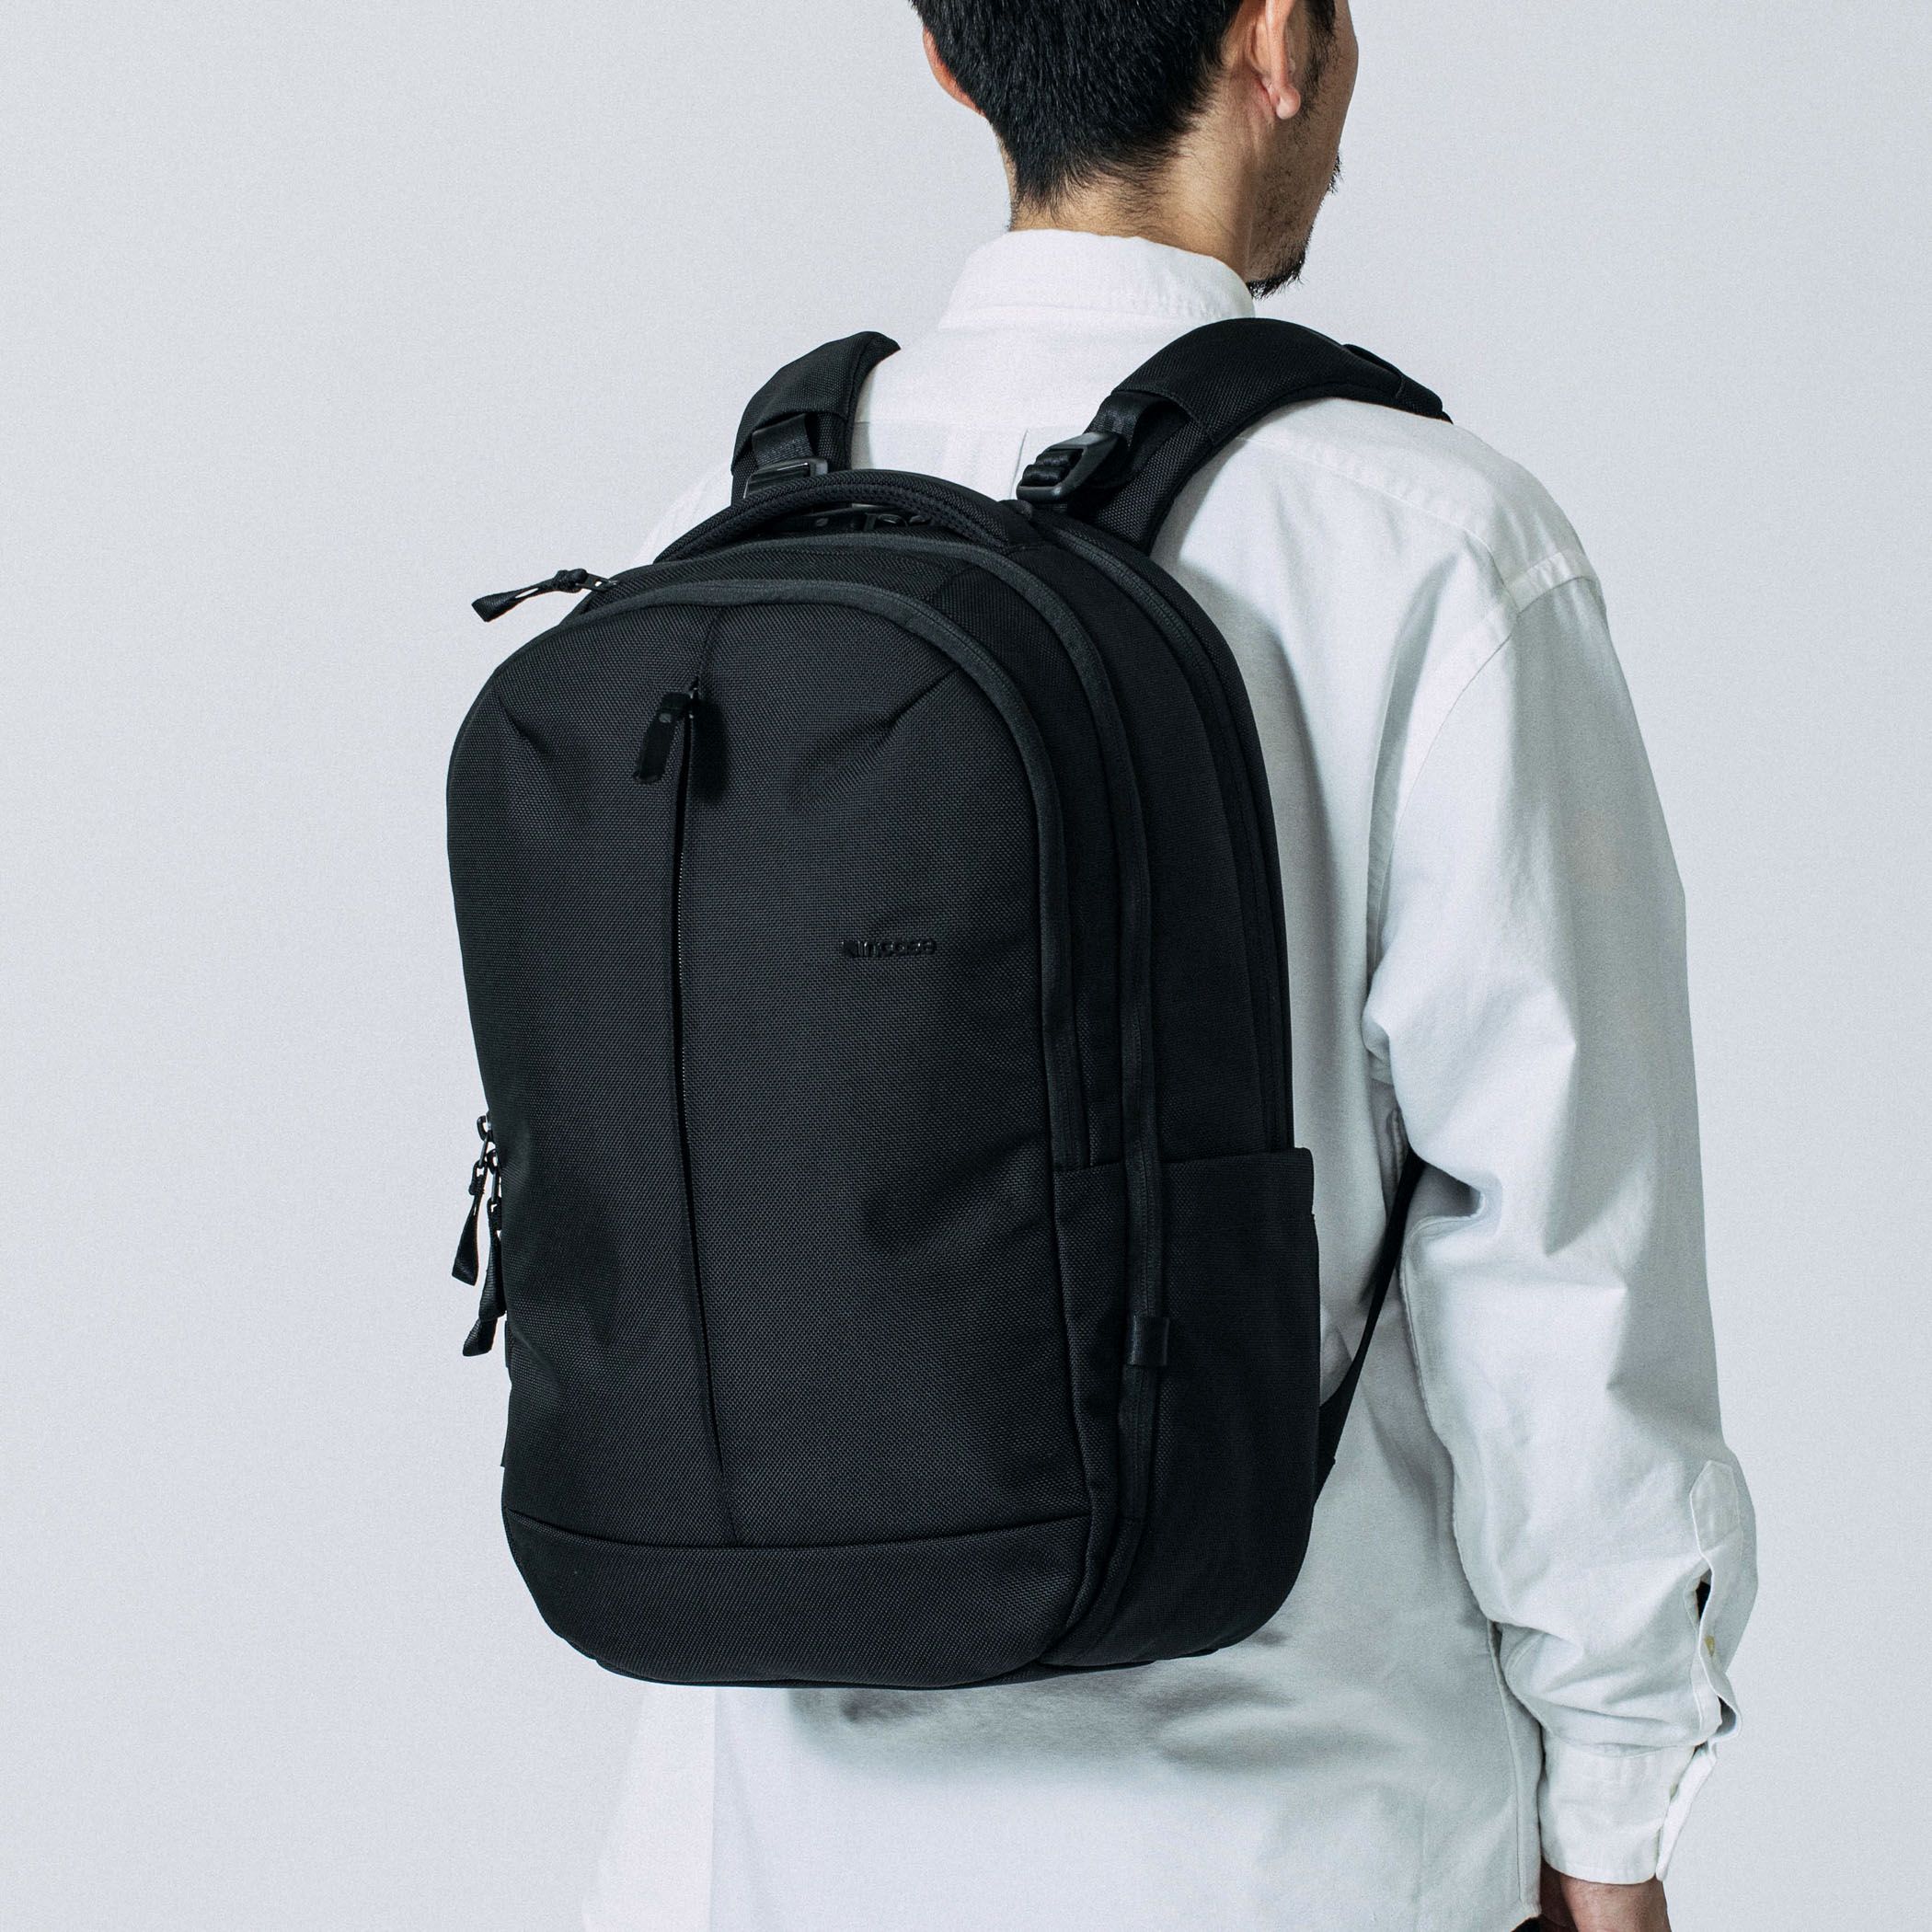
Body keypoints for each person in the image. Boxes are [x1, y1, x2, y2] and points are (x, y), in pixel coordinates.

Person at [583, 3, 1756, 1928]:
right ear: (1278, 40)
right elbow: (1562, 1268)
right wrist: (1616, 1814)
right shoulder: (1428, 546)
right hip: (1290, 1836)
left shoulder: (713, 546)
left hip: (758, 1841)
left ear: (949, 56)